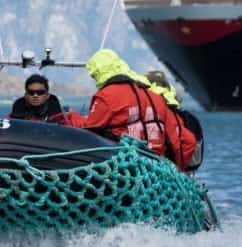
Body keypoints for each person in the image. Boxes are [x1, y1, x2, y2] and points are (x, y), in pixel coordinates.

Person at [66, 49, 195, 172]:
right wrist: (178, 169)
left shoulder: (106, 96)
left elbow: (91, 129)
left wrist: (69, 117)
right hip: (156, 163)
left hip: (126, 164)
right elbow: (181, 140)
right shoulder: (155, 98)